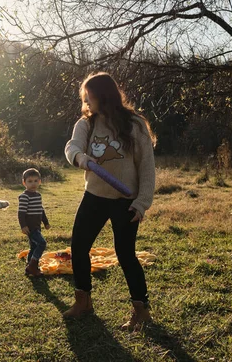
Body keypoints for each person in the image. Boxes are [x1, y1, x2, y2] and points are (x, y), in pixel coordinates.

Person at [63, 72, 156, 331]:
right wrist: (82, 158)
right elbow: (72, 147)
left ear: (103, 96)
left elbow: (147, 167)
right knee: (79, 247)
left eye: (88, 96)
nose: (85, 101)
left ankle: (141, 311)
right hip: (94, 197)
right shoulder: (87, 124)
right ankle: (83, 302)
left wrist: (141, 203)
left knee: (126, 255)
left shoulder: (134, 124)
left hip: (126, 202)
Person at [18, 168, 50, 277]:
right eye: (30, 181)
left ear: (40, 181)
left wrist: (45, 222)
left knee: (33, 247)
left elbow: (41, 210)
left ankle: (30, 266)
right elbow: (21, 213)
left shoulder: (38, 195)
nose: (33, 184)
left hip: (37, 226)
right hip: (30, 227)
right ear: (24, 183)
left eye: (36, 181)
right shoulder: (24, 196)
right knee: (42, 243)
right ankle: (32, 265)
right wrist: (23, 226)